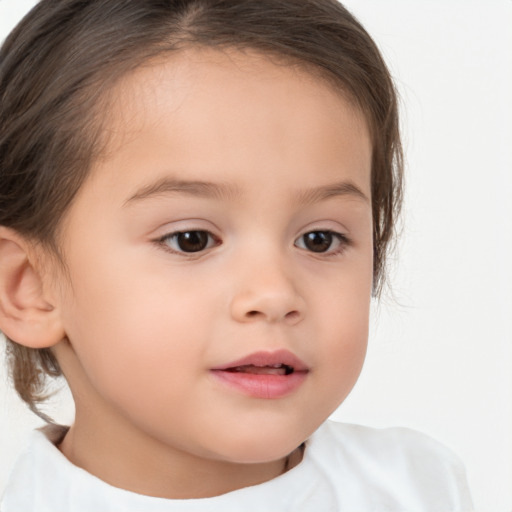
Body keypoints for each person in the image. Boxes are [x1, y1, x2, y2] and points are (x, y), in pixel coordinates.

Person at [0, 0, 474, 510]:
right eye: (192, 239)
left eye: (320, 239)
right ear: (30, 288)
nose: (274, 294)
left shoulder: (417, 487)